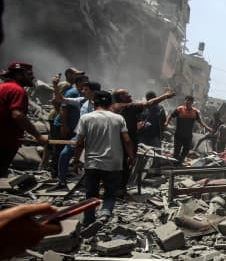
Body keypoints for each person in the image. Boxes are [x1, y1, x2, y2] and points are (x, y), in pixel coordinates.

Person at [72, 90, 135, 224]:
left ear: (94, 103)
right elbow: (127, 140)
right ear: (110, 103)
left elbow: (79, 143)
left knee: (91, 194)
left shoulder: (86, 118)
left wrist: (76, 161)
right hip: (113, 164)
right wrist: (131, 156)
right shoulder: (118, 118)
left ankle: (89, 220)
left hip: (92, 163)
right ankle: (105, 214)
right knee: (110, 193)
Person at [111, 88, 174, 192]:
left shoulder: (115, 108)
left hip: (132, 139)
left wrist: (138, 126)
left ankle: (119, 188)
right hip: (128, 142)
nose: (130, 95)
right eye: (127, 94)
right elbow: (147, 104)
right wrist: (165, 95)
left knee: (125, 166)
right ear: (121, 97)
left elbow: (161, 120)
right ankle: (119, 190)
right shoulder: (128, 106)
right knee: (126, 165)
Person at [0, 62, 48, 177]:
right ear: (19, 75)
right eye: (29, 74)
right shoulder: (17, 90)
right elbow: (17, 115)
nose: (33, 77)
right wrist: (38, 136)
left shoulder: (3, 87)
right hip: (4, 141)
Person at [54, 73, 89, 188]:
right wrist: (55, 85)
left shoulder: (102, 103)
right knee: (64, 154)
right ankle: (61, 181)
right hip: (80, 134)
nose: (83, 91)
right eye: (83, 88)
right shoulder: (81, 100)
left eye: (86, 89)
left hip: (95, 136)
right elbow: (60, 100)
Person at [164, 95, 213, 164]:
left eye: (190, 101)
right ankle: (174, 164)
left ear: (192, 102)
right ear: (185, 101)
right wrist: (166, 122)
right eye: (187, 101)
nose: (188, 102)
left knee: (186, 150)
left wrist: (207, 127)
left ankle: (180, 162)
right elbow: (170, 116)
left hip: (188, 135)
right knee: (177, 150)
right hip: (179, 134)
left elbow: (200, 121)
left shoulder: (195, 112)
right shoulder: (179, 109)